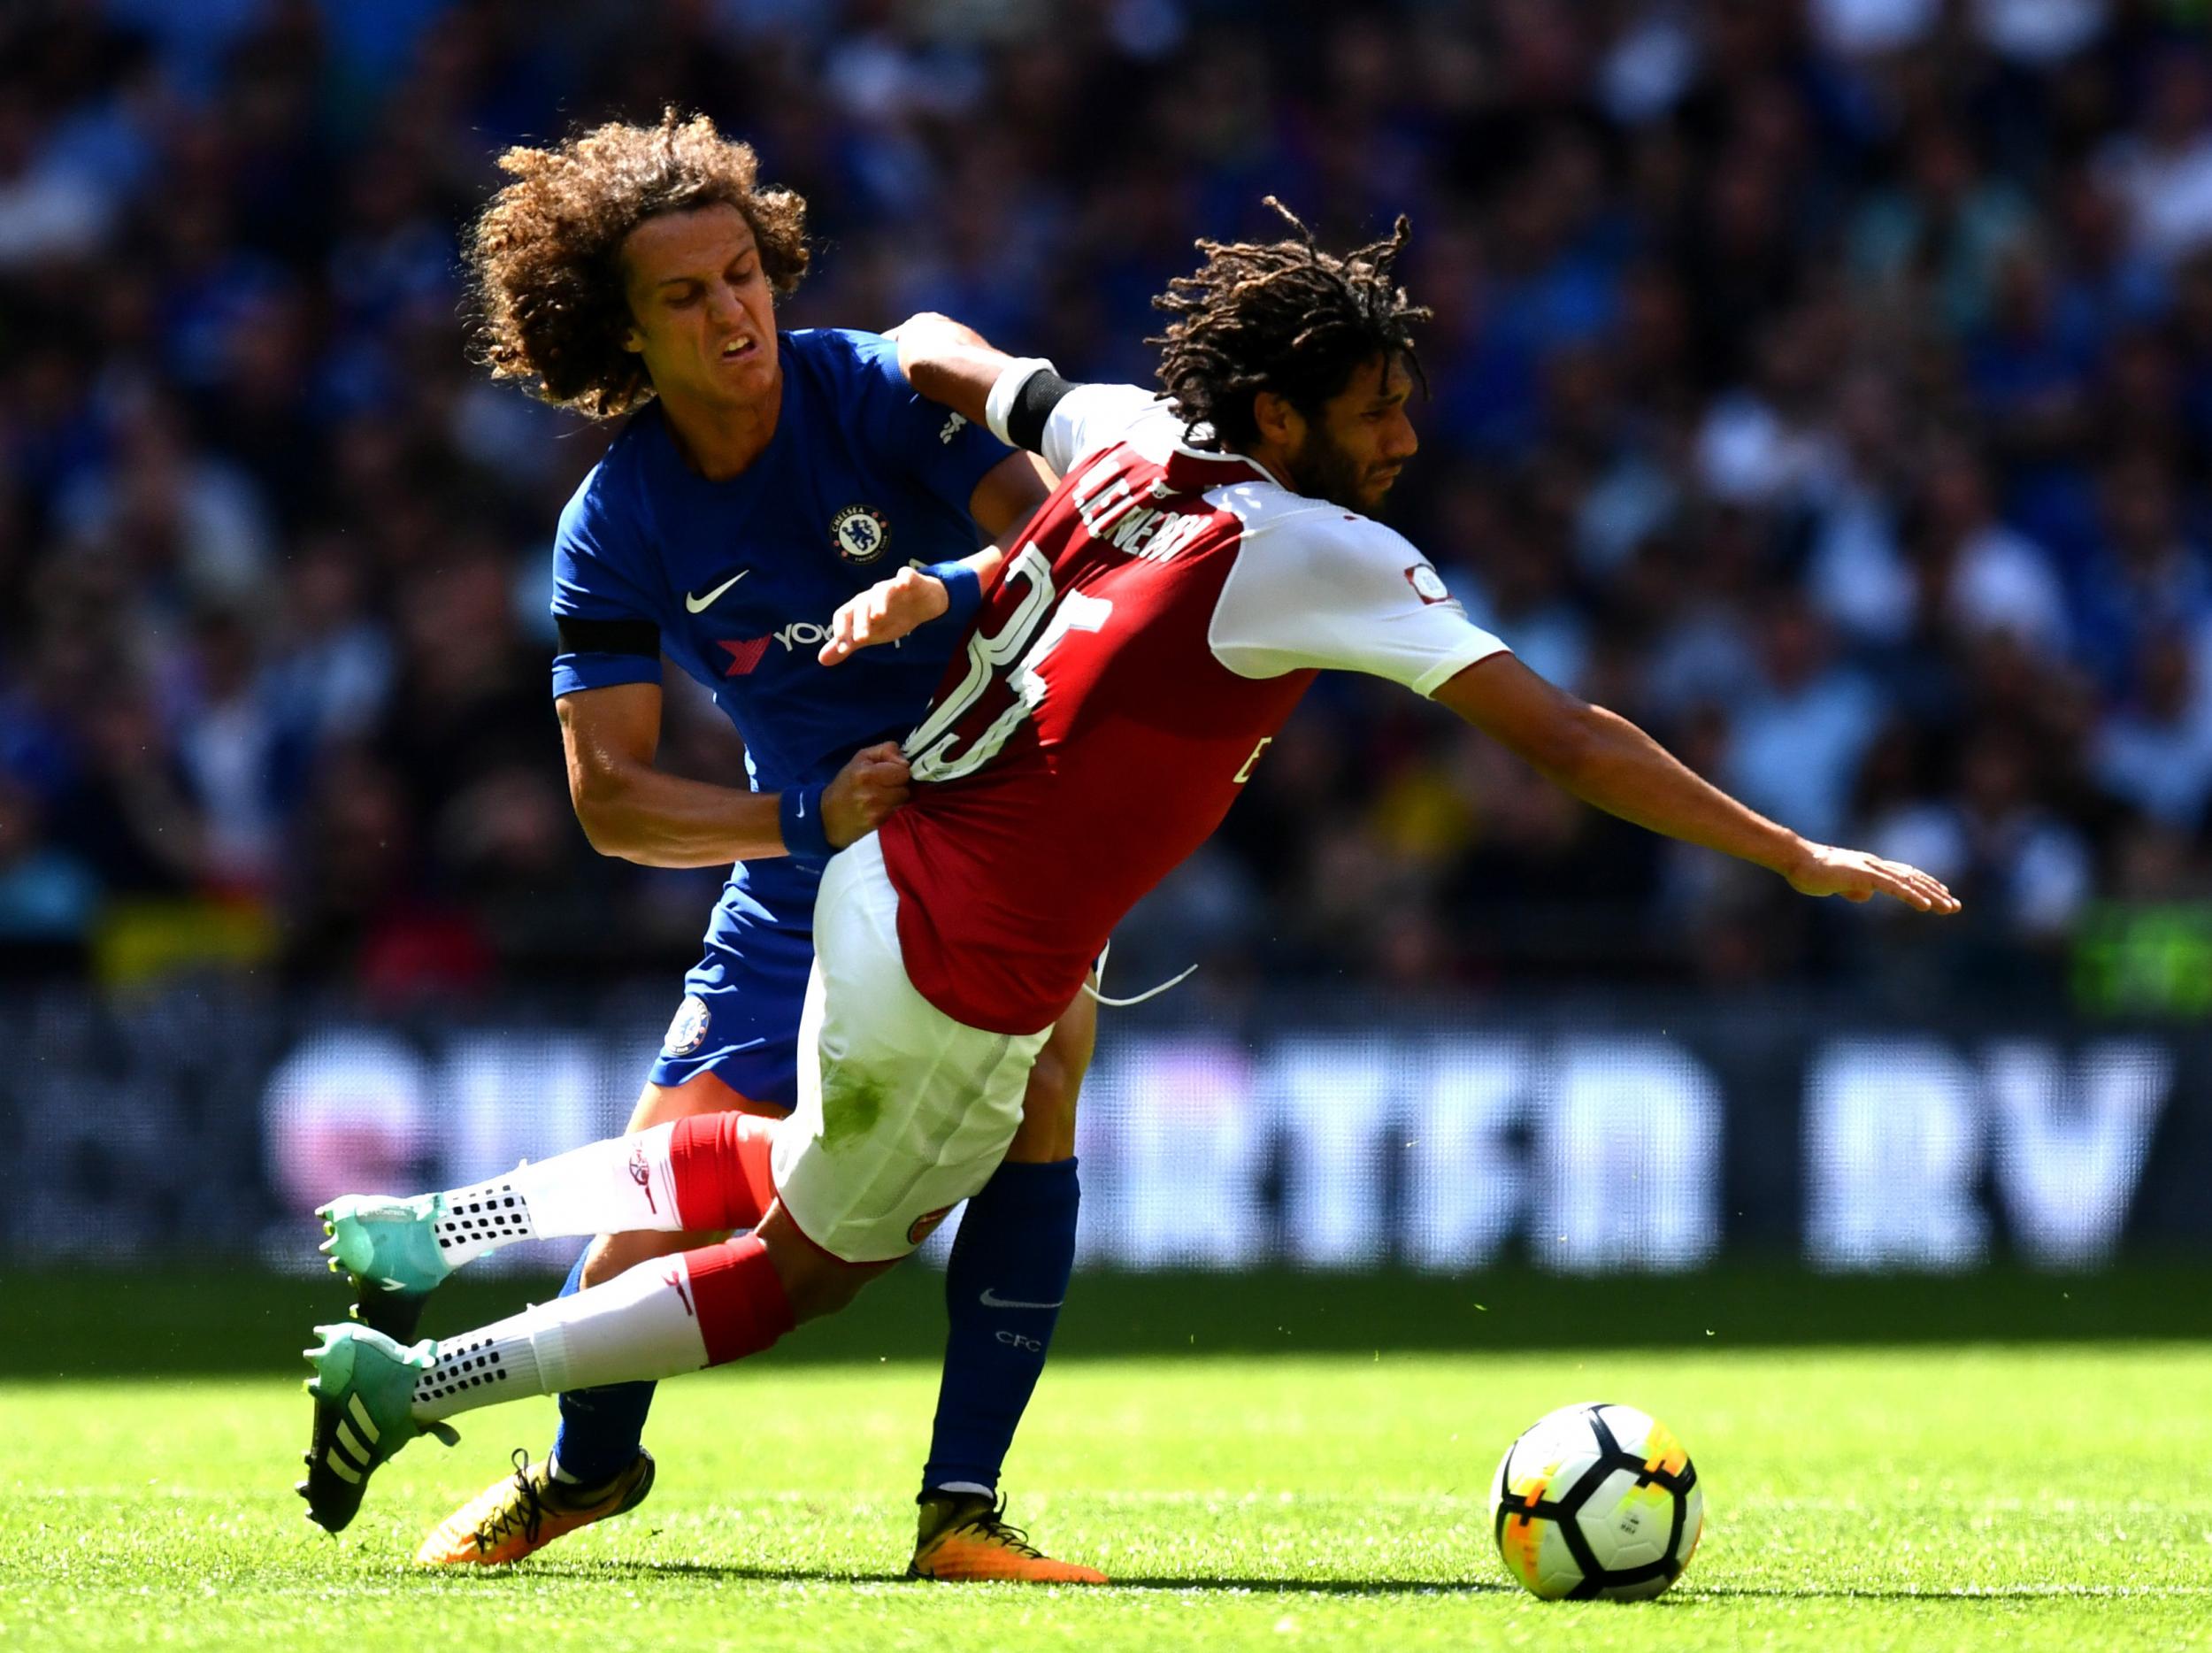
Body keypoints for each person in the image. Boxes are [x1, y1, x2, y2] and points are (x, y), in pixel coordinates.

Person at [297, 201, 1959, 1559]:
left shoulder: (1131, 435)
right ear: (1284, 417)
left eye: (745, 275)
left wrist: (937, 576)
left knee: (834, 1153)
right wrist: (1795, 855)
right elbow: (1579, 743)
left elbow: (979, 369)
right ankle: (434, 1374)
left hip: (909, 857)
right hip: (936, 912)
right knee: (819, 1255)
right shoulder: (1326, 550)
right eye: (1377, 405)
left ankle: (455, 1235)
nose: (1408, 435)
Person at [297, 111, 1106, 1585]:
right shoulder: (615, 524)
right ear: (618, 332)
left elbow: (1063, 557)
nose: (733, 311)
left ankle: (961, 1513)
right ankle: (583, 1474)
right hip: (800, 869)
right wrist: (800, 819)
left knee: (1043, 1090)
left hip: (994, 831)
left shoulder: (868, 393)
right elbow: (609, 797)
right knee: (654, 1204)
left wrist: (933, 592)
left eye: (744, 273)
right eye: (686, 294)